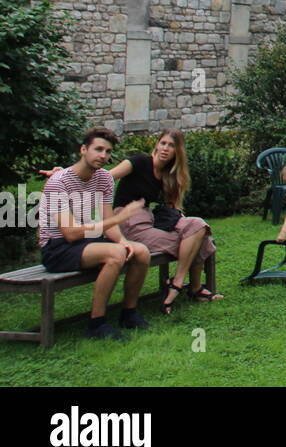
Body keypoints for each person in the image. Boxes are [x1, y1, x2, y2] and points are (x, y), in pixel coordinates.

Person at [42, 128, 221, 314]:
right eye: (163, 143)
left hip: (144, 219)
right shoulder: (139, 162)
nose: (166, 149)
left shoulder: (170, 175)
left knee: (198, 231)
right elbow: (104, 176)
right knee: (194, 241)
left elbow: (172, 207)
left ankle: (184, 289)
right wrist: (63, 173)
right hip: (124, 222)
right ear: (157, 144)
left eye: (171, 145)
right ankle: (179, 287)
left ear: (179, 151)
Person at [38, 127, 152, 340]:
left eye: (108, 152)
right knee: (115, 255)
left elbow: (107, 222)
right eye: (98, 149)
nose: (103, 156)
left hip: (85, 241)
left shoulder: (104, 179)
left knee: (141, 252)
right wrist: (118, 221)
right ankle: (96, 324)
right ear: (83, 149)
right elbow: (70, 233)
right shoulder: (58, 182)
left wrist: (124, 240)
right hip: (57, 247)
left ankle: (129, 313)